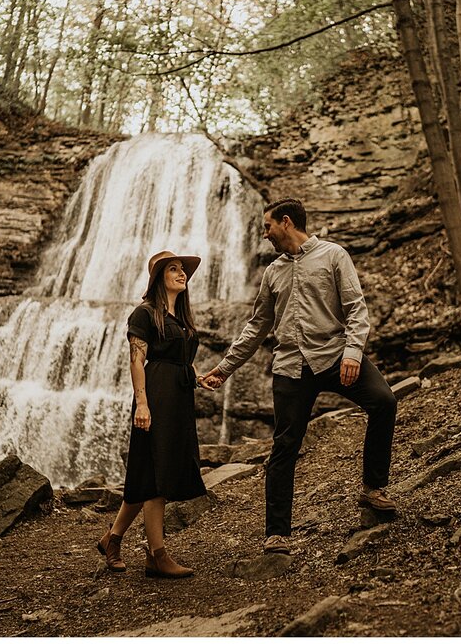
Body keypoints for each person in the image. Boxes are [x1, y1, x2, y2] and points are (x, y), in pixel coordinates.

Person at [203, 198, 397, 555]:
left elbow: (356, 309)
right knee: (285, 445)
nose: (265, 235)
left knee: (384, 401)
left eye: (268, 226)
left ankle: (373, 489)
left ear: (287, 223)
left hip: (337, 356)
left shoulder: (334, 255)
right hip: (291, 365)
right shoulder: (273, 272)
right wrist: (225, 368)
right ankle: (277, 533)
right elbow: (257, 326)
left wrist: (353, 353)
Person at [96, 250, 212, 578]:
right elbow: (137, 360)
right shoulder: (145, 313)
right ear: (159, 278)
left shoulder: (180, 318)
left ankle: (112, 540)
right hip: (156, 396)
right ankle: (157, 555)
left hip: (178, 396)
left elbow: (180, 359)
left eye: (182, 269)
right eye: (172, 269)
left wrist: (199, 377)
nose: (181, 273)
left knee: (148, 473)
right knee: (156, 476)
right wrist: (143, 403)